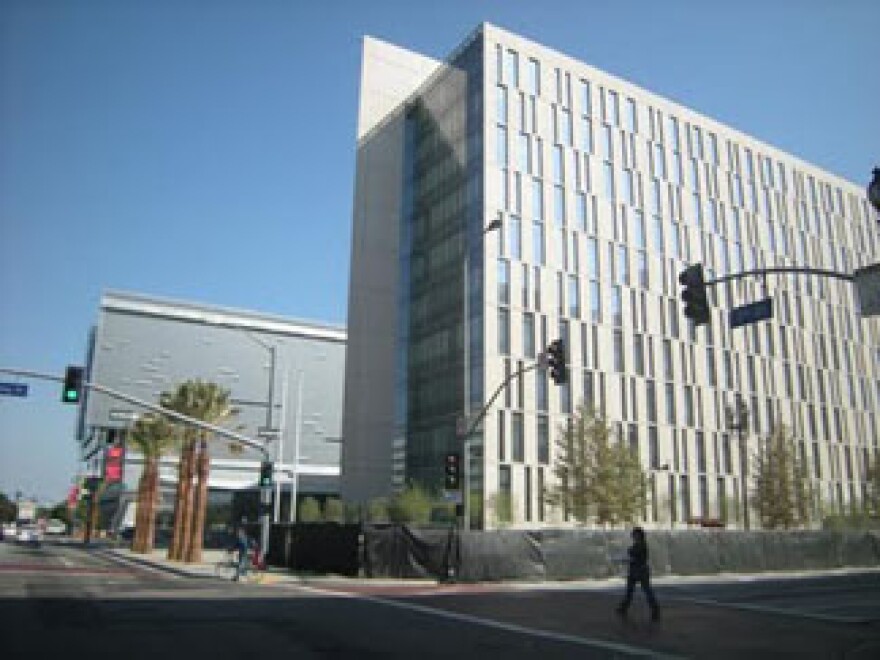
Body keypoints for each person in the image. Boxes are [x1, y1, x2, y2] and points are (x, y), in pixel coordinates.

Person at [616, 526, 660, 621]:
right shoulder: (639, 545)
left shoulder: (641, 546)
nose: (633, 536)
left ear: (639, 535)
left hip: (640, 570)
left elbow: (636, 557)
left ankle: (655, 609)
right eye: (633, 535)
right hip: (637, 570)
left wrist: (626, 559)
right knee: (632, 591)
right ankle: (624, 608)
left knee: (645, 591)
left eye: (635, 534)